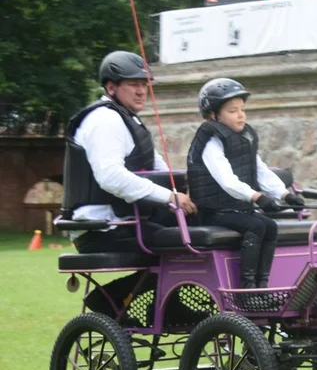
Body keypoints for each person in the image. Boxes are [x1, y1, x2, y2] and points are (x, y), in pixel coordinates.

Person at [63, 50, 198, 320]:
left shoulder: (128, 120)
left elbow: (160, 171)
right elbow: (111, 177)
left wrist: (193, 191)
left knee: (200, 226)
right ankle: (110, 299)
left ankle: (168, 303)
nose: (141, 91)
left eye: (144, 85)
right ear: (111, 87)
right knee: (185, 241)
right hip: (102, 227)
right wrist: (170, 197)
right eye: (133, 84)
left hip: (127, 219)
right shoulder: (104, 121)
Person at [186, 78, 304, 294]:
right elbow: (227, 180)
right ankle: (247, 290)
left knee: (271, 226)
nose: (241, 115)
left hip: (236, 208)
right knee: (257, 226)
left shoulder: (243, 139)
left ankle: (262, 286)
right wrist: (257, 197)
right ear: (214, 115)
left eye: (242, 109)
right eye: (233, 111)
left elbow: (261, 170)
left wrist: (285, 195)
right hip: (212, 210)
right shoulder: (211, 143)